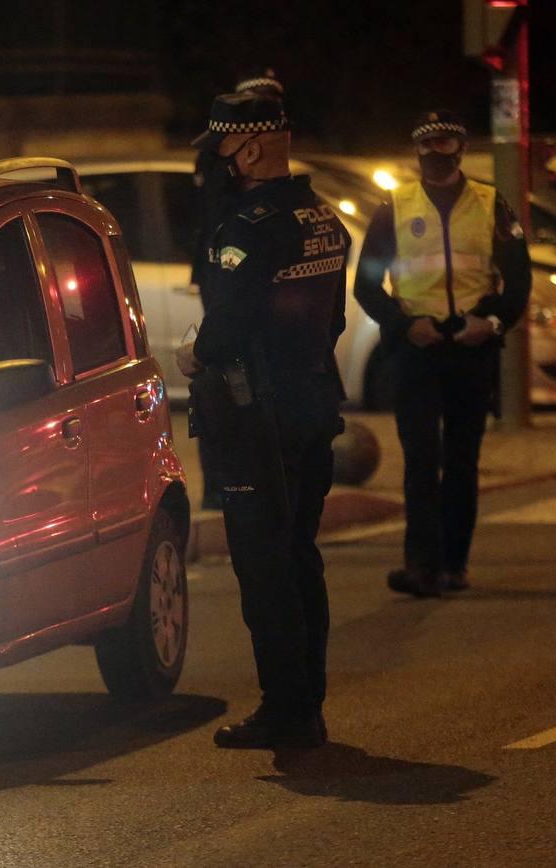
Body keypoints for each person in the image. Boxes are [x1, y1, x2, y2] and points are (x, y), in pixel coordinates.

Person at [177, 92, 349, 749]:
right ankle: (307, 701)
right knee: (299, 557)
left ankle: (287, 709)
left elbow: (225, 329)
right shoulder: (321, 216)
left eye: (219, 147)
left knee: (265, 567)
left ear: (247, 149)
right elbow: (329, 320)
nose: (214, 162)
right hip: (311, 399)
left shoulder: (248, 227)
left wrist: (190, 353)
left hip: (258, 415)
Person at [354, 110, 530, 598]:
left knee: (461, 459)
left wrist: (490, 322)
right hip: (418, 350)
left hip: (471, 347)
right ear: (417, 153)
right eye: (427, 146)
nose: (436, 154)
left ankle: (455, 563)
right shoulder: (395, 206)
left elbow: (518, 280)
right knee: (420, 459)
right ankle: (421, 566)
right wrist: (405, 325)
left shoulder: (492, 205)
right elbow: (367, 285)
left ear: (461, 149)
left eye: (445, 144)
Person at [190, 68, 286, 510]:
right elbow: (215, 217)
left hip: (240, 272)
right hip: (223, 268)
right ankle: (220, 485)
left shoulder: (276, 193)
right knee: (219, 382)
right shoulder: (220, 160)